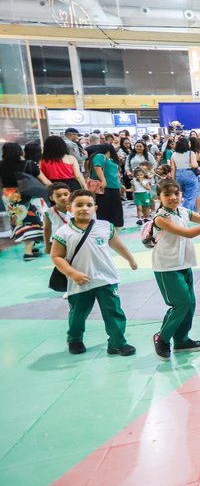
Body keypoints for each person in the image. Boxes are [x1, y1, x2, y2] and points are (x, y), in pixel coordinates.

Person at [50, 189, 138, 356]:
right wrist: (72, 273)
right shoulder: (64, 232)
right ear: (70, 208)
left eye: (89, 205)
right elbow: (56, 256)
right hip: (79, 282)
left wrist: (131, 259)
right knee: (78, 314)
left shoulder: (105, 227)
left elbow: (118, 245)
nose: (85, 208)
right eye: (79, 205)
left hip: (107, 278)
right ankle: (75, 338)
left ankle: (117, 342)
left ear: (95, 208)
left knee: (114, 311)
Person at [150, 179, 200, 360]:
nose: (173, 197)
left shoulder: (183, 211)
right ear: (158, 197)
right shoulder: (161, 218)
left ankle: (182, 340)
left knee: (190, 304)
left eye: (176, 193)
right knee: (181, 303)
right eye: (167, 194)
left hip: (184, 263)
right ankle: (162, 337)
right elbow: (190, 233)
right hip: (167, 267)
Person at [1, 141, 51, 259]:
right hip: (28, 196)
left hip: (9, 195)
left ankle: (30, 247)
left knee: (19, 221)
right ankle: (28, 253)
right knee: (32, 221)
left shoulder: (1, 165)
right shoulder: (30, 164)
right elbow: (45, 181)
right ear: (20, 151)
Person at [86, 144, 124, 229]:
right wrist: (103, 180)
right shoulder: (100, 156)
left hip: (114, 185)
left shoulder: (110, 159)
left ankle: (115, 225)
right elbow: (97, 168)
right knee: (104, 206)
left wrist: (120, 184)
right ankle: (105, 225)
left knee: (115, 205)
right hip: (105, 186)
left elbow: (114, 173)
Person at [170, 136, 200, 213]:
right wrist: (197, 164)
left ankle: (179, 211)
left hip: (178, 175)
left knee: (180, 195)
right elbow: (194, 165)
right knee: (190, 196)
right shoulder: (191, 153)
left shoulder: (174, 154)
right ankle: (187, 213)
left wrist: (173, 180)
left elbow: (173, 168)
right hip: (189, 174)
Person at [42, 182, 72, 254]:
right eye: (58, 196)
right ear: (51, 198)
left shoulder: (76, 209)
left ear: (70, 194)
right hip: (59, 242)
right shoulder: (49, 212)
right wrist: (47, 245)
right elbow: (47, 229)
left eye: (66, 194)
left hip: (75, 240)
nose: (63, 197)